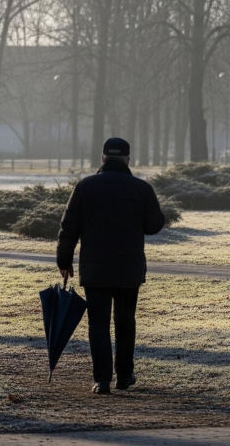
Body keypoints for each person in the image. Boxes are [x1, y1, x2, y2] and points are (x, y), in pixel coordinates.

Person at [57, 137, 166, 395]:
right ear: (128, 159)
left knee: (98, 324)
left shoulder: (85, 187)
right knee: (126, 321)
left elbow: (68, 227)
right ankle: (125, 376)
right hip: (129, 268)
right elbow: (154, 226)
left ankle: (102, 380)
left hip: (96, 269)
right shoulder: (141, 189)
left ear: (102, 158)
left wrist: (64, 260)